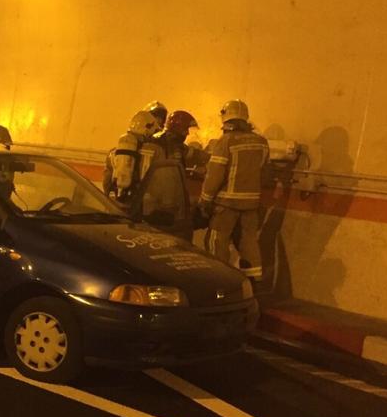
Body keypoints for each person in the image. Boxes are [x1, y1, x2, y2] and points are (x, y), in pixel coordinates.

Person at [199, 99, 270, 281]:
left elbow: (214, 176)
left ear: (225, 120)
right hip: (251, 205)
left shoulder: (226, 142)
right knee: (249, 243)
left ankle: (219, 280)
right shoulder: (262, 142)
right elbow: (265, 174)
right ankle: (254, 281)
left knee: (216, 242)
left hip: (226, 205)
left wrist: (205, 201)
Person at [138, 110, 203, 240]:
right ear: (178, 127)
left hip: (172, 197)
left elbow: (192, 155)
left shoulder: (177, 145)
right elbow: (147, 172)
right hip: (158, 200)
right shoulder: (156, 142)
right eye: (185, 129)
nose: (187, 133)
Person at [104, 110, 162, 206]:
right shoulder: (155, 151)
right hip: (141, 205)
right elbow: (160, 183)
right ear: (147, 130)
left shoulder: (113, 153)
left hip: (116, 204)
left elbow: (106, 183)